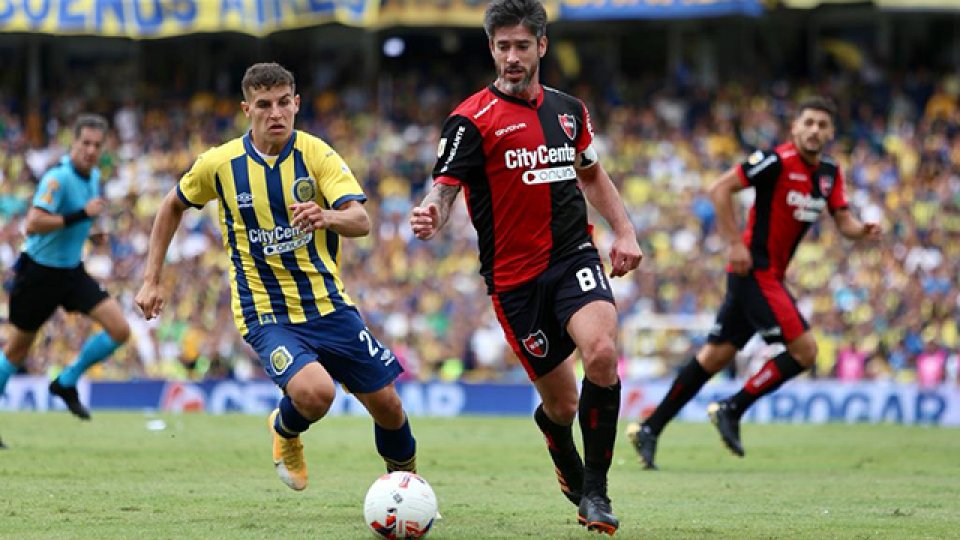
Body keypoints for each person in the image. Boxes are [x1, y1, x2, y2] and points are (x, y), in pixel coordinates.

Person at [409, 0, 642, 534]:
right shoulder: (470, 121)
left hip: (572, 256)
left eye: (521, 46)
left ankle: (597, 494)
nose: (512, 57)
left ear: (541, 45)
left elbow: (591, 175)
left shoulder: (569, 111)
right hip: (514, 282)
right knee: (561, 405)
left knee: (602, 353)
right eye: (502, 47)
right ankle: (559, 443)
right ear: (492, 49)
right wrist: (431, 213)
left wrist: (623, 231)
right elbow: (444, 190)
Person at [135, 62, 418, 490]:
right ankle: (285, 430)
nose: (276, 113)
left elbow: (361, 221)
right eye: (264, 105)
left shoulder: (317, 154)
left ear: (296, 103)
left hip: (328, 305)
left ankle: (407, 492)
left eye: (284, 103)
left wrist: (326, 216)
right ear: (246, 109)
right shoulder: (221, 164)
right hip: (266, 312)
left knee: (390, 407)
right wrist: (151, 278)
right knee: (317, 394)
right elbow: (171, 205)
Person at [626, 97, 882, 469]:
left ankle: (649, 428)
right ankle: (733, 407)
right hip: (753, 272)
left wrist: (863, 230)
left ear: (831, 133)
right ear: (795, 127)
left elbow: (844, 222)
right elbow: (719, 189)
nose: (814, 130)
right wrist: (734, 243)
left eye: (822, 125)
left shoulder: (829, 173)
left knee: (713, 358)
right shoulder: (774, 161)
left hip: (768, 276)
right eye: (808, 122)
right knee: (806, 351)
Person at [0, 114, 130, 431]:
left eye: (97, 145)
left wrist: (89, 233)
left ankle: (66, 381)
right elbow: (33, 223)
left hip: (71, 273)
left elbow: (73, 222)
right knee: (17, 350)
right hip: (38, 275)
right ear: (74, 143)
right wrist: (80, 217)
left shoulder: (95, 176)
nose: (90, 150)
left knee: (120, 330)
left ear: (103, 148)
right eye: (85, 143)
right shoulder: (56, 179)